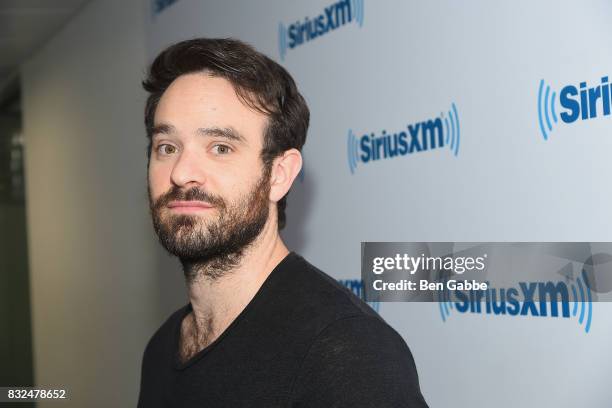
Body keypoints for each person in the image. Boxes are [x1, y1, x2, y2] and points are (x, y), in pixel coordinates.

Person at [137, 37, 428, 407]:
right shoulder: (162, 349)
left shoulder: (348, 353)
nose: (181, 172)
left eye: (220, 148)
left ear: (279, 175)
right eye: (167, 147)